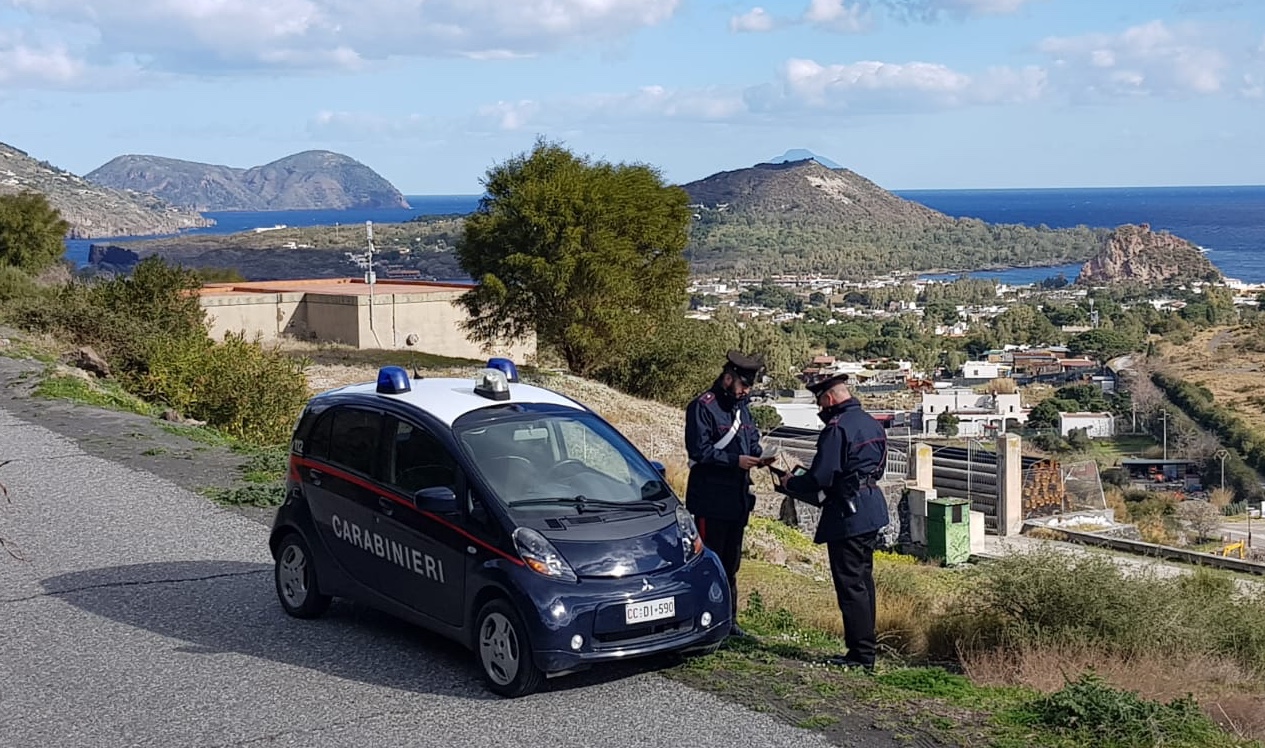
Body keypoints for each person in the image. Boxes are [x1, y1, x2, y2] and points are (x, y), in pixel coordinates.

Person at [777, 372, 889, 670]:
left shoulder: (837, 430)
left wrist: (790, 483)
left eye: (819, 402)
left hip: (847, 513)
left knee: (850, 587)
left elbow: (820, 477)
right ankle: (867, 649)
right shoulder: (871, 423)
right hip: (871, 508)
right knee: (864, 584)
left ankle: (860, 656)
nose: (820, 409)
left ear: (828, 399)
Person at [685, 349, 769, 637]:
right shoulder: (702, 407)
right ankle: (705, 620)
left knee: (731, 563)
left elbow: (751, 440)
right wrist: (736, 461)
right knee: (711, 561)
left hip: (736, 499)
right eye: (743, 385)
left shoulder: (741, 407)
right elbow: (700, 451)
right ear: (728, 378)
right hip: (711, 500)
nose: (745, 391)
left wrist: (760, 457)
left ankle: (729, 621)